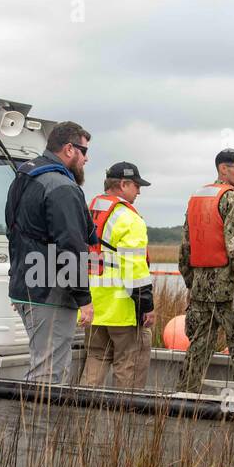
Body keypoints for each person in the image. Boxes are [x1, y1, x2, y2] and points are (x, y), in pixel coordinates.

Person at [5, 121, 96, 384]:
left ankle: (40, 422)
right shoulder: (61, 186)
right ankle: (37, 426)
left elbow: (15, 234)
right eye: (84, 151)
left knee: (45, 366)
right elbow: (71, 246)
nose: (86, 158)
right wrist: (84, 298)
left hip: (27, 287)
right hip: (50, 292)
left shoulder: (25, 176)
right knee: (49, 375)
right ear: (69, 149)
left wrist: (18, 282)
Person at [176, 148, 234, 392]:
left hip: (201, 286)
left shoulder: (196, 197)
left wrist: (191, 284)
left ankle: (185, 393)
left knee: (199, 343)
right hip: (229, 287)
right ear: (223, 168)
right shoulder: (233, 199)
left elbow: (185, 249)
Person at [80, 161, 155, 389]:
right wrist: (146, 306)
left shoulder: (86, 211)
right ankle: (124, 421)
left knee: (95, 359)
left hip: (92, 306)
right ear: (123, 184)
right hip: (122, 308)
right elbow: (134, 268)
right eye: (136, 185)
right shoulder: (128, 218)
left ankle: (81, 418)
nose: (139, 191)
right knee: (129, 364)